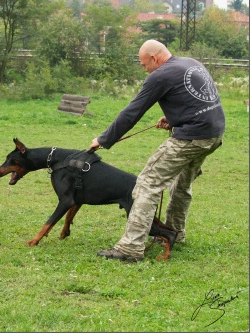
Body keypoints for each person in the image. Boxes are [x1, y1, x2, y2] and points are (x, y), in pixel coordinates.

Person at [90, 39, 225, 262]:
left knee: (147, 184)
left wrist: (103, 139)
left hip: (192, 137)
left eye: (144, 65)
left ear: (154, 59)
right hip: (213, 135)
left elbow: (132, 112)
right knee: (181, 184)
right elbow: (198, 101)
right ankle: (175, 233)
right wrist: (174, 119)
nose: (145, 70)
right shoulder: (190, 63)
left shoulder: (160, 75)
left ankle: (131, 248)